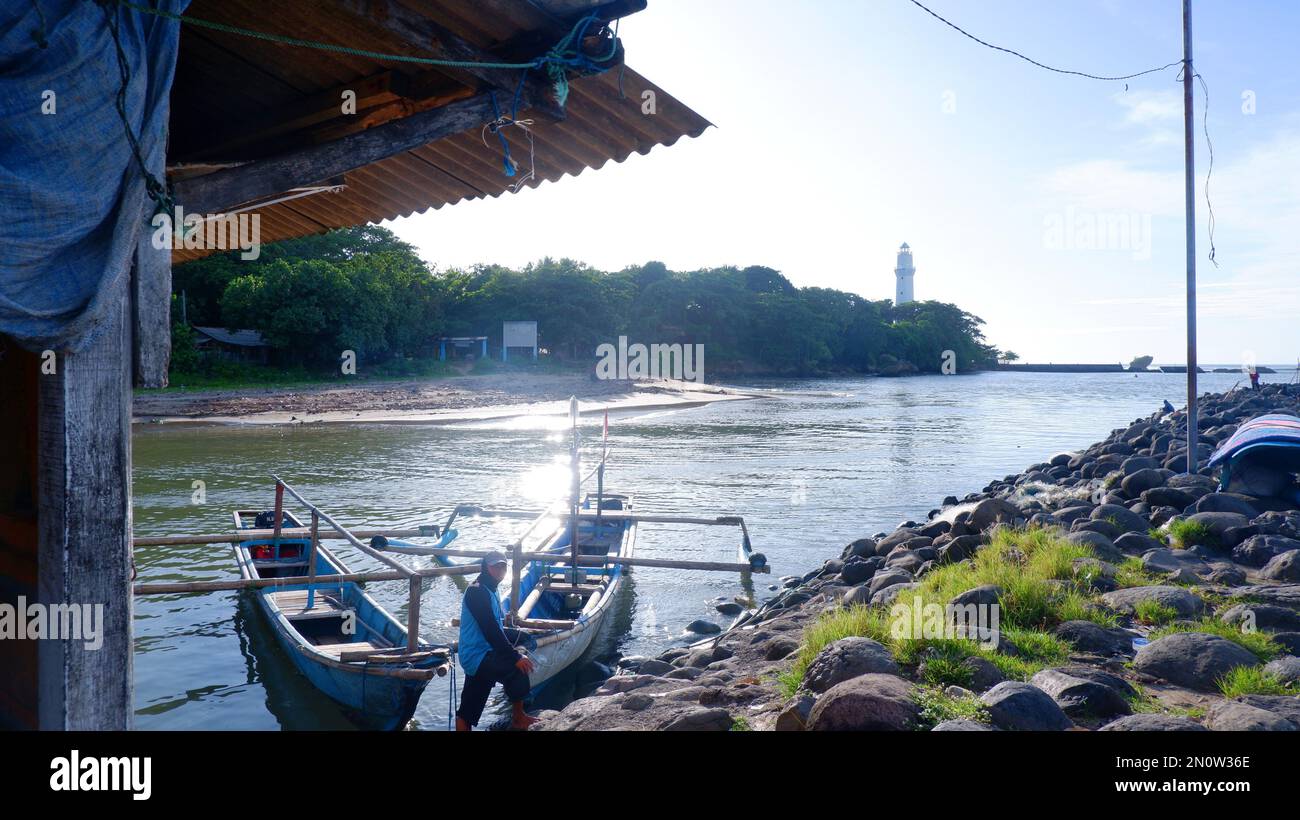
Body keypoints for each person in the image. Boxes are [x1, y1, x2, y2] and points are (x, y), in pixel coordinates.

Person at [455, 550, 538, 731]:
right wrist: (515, 657)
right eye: (495, 566)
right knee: (518, 670)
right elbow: (491, 630)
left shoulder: (491, 588)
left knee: (468, 710)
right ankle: (518, 717)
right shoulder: (476, 591)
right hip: (477, 654)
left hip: (485, 650)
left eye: (503, 566)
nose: (500, 570)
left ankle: (518, 715)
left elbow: (495, 627)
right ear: (486, 567)